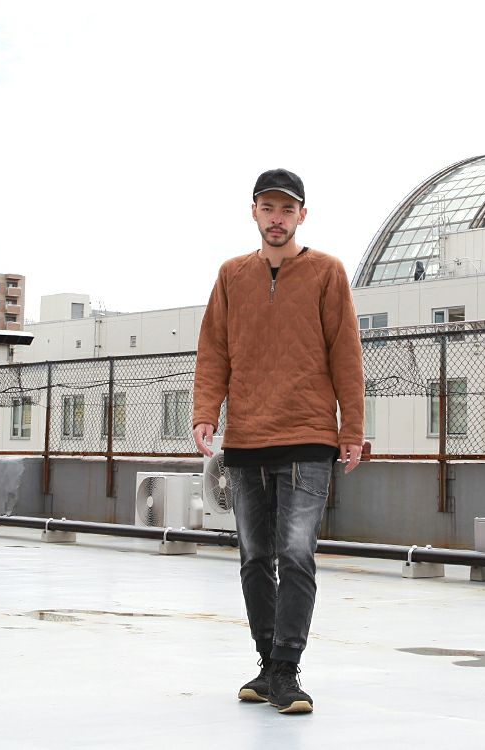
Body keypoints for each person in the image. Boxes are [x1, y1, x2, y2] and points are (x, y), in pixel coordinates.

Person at [192, 168, 365, 714]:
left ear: (302, 216)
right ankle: (267, 665)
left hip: (308, 437)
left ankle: (287, 669)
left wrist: (351, 430)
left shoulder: (326, 272)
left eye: (287, 209)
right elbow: (213, 349)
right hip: (246, 439)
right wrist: (205, 412)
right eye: (268, 208)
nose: (277, 218)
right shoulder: (231, 275)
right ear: (254, 213)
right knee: (253, 559)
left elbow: (346, 355)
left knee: (294, 555)